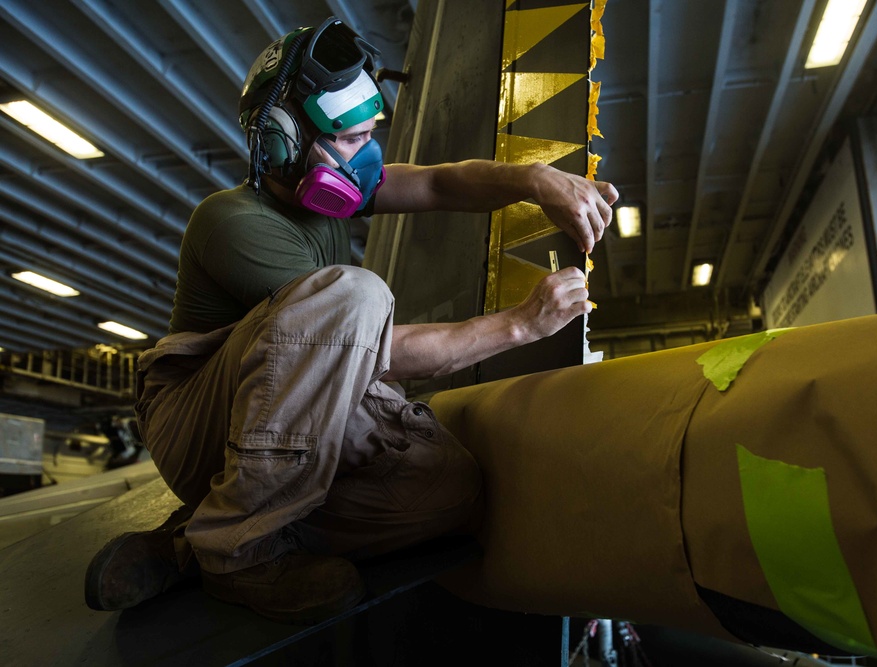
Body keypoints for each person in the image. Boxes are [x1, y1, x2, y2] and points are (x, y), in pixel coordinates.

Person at [84, 16, 618, 624]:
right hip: (197, 417)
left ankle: (191, 545)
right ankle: (239, 554)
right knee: (355, 296)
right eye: (349, 139)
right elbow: (367, 347)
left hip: (286, 409)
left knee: (449, 490)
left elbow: (444, 184)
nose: (366, 155)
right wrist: (519, 325)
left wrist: (533, 178)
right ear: (283, 143)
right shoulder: (231, 221)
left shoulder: (329, 179)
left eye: (369, 135)